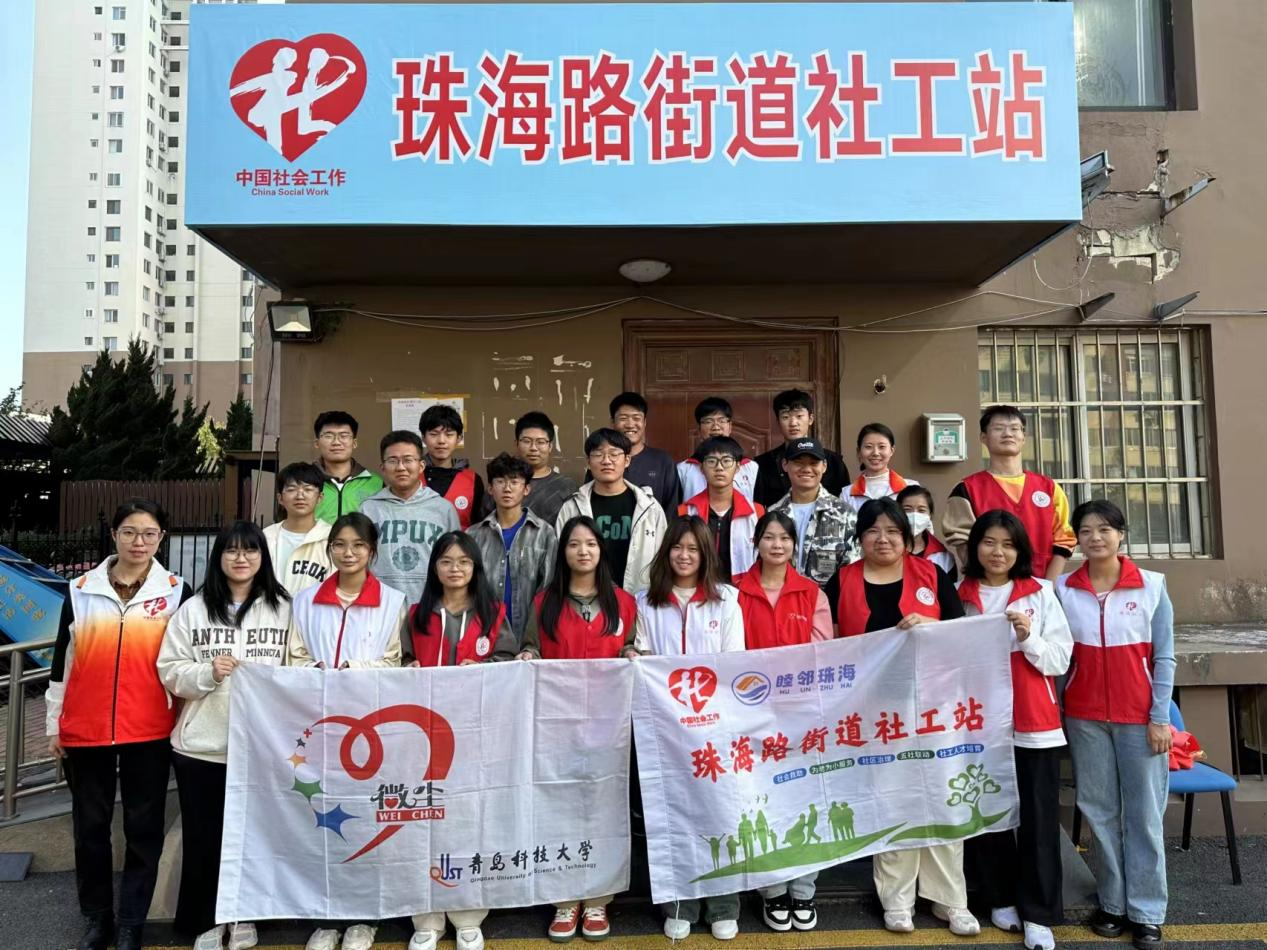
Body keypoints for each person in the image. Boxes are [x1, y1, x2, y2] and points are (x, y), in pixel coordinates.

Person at [46, 499, 192, 950]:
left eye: (149, 533)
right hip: (85, 728)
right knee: (90, 828)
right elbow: (62, 661)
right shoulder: (81, 590)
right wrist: (54, 724)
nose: (138, 542)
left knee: (142, 829)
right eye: (129, 532)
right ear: (114, 535)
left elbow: (185, 658)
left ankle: (131, 921)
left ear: (161, 538)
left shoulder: (177, 591)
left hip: (149, 729)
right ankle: (97, 918)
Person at [835, 499, 976, 937]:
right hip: (874, 712)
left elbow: (963, 635)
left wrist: (930, 627)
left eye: (892, 531)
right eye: (872, 531)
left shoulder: (932, 576)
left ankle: (950, 898)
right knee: (892, 799)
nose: (883, 539)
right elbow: (827, 647)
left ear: (907, 537)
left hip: (933, 706)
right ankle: (897, 899)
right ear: (860, 538)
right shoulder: (842, 580)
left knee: (942, 797)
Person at [157, 521, 291, 950]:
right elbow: (169, 669)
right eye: (231, 551)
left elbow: (299, 666)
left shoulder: (284, 608)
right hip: (203, 747)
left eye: (250, 550)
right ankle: (207, 920)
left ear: (262, 557)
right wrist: (206, 673)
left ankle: (246, 915)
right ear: (218, 558)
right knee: (204, 838)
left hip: (263, 748)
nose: (241, 558)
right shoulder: (194, 609)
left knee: (256, 837)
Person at [511, 516, 638, 942]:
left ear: (601, 551)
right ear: (562, 552)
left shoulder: (624, 603)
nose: (583, 551)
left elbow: (629, 646)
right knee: (559, 806)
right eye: (574, 544)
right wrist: (528, 656)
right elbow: (531, 645)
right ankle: (564, 897)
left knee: (604, 808)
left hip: (608, 725)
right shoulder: (545, 601)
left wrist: (633, 653)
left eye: (591, 544)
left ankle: (598, 897)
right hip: (557, 724)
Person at [1056, 500, 1174, 950]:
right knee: (1099, 812)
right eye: (1086, 531)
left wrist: (1159, 717)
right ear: (1077, 539)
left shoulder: (1151, 585)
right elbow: (1061, 659)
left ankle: (1147, 911)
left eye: (1104, 529)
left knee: (1143, 817)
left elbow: (1164, 657)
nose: (1095, 538)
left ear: (1121, 534)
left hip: (1140, 720)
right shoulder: (1064, 589)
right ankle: (1112, 904)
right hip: (1084, 718)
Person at [287, 513, 407, 950]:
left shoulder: (393, 601)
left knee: (366, 819)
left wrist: (351, 669)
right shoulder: (305, 601)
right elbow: (294, 655)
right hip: (318, 727)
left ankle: (364, 916)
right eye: (340, 544)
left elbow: (395, 661)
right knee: (320, 818)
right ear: (330, 549)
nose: (348, 553)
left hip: (371, 727)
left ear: (372, 551)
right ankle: (327, 914)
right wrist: (317, 669)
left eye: (358, 545)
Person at [957, 511, 1072, 950]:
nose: (997, 552)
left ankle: (1039, 913)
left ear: (1020, 550)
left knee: (1038, 818)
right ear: (975, 546)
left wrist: (1028, 639)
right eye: (989, 542)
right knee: (988, 812)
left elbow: (1059, 658)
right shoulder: (961, 594)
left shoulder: (1040, 592)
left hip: (1034, 723)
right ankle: (999, 897)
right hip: (979, 724)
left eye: (1008, 544)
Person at [631, 516, 743, 942]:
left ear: (705, 555)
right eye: (677, 547)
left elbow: (734, 663)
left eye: (693, 549)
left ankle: (723, 904)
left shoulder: (726, 600)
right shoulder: (646, 602)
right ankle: (680, 903)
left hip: (714, 729)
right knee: (672, 816)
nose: (684, 556)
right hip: (664, 731)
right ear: (666, 552)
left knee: (720, 813)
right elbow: (641, 656)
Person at [733, 510, 832, 932]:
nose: (777, 545)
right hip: (750, 717)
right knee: (761, 802)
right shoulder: (734, 591)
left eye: (784, 538)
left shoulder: (811, 593)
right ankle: (772, 890)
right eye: (769, 537)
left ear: (795, 545)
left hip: (801, 718)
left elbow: (822, 653)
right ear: (756, 542)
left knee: (805, 801)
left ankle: (804, 889)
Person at [403, 532, 503, 950]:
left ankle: (467, 916)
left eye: (464, 561)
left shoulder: (493, 613)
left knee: (468, 824)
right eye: (446, 561)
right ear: (434, 568)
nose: (455, 569)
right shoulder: (417, 614)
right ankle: (426, 918)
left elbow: (507, 664)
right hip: (422, 741)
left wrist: (482, 667)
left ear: (476, 568)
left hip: (474, 737)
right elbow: (402, 661)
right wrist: (409, 668)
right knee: (421, 825)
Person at [943, 406, 1075, 581]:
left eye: (1014, 428)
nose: (1008, 434)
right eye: (998, 428)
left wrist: (1048, 587)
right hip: (988, 587)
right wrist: (991, 585)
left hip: (1041, 586)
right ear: (983, 437)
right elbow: (962, 541)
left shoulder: (1049, 488)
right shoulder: (966, 489)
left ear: (1023, 437)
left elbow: (1063, 540)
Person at [555, 428, 668, 594]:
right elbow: (560, 558)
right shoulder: (572, 507)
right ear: (588, 462)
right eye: (598, 454)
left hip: (637, 599)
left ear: (627, 460)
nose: (606, 461)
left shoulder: (649, 507)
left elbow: (662, 559)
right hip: (586, 600)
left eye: (614, 454)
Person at [359, 430, 460, 607]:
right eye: (393, 461)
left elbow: (455, 560)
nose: (400, 467)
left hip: (431, 606)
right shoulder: (368, 509)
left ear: (421, 466)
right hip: (379, 606)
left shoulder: (443, 510)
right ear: (382, 468)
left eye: (408, 460)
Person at [466, 453, 557, 650]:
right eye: (500, 481)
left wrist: (535, 640)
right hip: (484, 637)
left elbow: (548, 591)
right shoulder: (474, 535)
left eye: (514, 482)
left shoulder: (544, 533)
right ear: (490, 488)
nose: (507, 488)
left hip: (530, 639)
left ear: (526, 489)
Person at [768, 438, 858, 613]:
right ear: (785, 465)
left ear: (824, 466)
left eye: (813, 463)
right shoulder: (773, 513)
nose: (806, 469)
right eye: (798, 462)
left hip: (827, 611)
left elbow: (851, 572)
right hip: (781, 609)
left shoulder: (845, 514)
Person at [677, 436, 765, 577]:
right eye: (712, 461)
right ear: (702, 468)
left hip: (742, 587)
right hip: (698, 586)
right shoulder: (685, 511)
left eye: (726, 461)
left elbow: (763, 559)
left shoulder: (756, 513)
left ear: (738, 467)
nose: (719, 467)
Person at [753, 389, 847, 507]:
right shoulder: (763, 464)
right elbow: (758, 508)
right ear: (778, 422)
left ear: (810, 419)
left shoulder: (833, 461)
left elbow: (844, 502)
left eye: (799, 416)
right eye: (786, 417)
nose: (793, 423)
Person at [606, 391, 682, 513]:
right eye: (623, 418)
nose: (630, 424)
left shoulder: (663, 461)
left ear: (645, 422)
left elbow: (672, 509)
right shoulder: (603, 461)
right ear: (612, 423)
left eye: (636, 418)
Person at [265, 461, 334, 594]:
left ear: (320, 497)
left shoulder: (332, 538)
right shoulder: (267, 537)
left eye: (308, 489)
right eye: (291, 489)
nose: (300, 496)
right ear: (280, 498)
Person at [676, 397, 760, 501]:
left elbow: (758, 506)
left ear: (730, 426)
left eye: (721, 420)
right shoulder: (683, 469)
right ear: (699, 429)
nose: (716, 427)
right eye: (708, 421)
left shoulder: (750, 467)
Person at [420, 404, 488, 529]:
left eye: (449, 434)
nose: (441, 441)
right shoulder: (412, 476)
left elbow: (479, 527)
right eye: (434, 434)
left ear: (459, 438)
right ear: (423, 438)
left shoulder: (473, 480)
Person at [312, 410, 384, 523]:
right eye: (328, 436)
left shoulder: (375, 483)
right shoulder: (304, 481)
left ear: (354, 443)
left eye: (344, 436)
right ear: (317, 443)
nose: (336, 442)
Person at [515, 411, 579, 526]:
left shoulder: (566, 485)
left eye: (540, 442)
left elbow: (573, 528)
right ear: (516, 444)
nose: (533, 448)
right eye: (527, 441)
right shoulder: (503, 484)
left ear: (550, 446)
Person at [844, 423, 918, 513]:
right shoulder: (847, 494)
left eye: (882, 447)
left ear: (892, 451)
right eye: (868, 447)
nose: (875, 453)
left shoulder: (910, 488)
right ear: (859, 451)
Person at [897, 485, 957, 582]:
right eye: (907, 510)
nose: (915, 515)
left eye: (921, 510)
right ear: (897, 513)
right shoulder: (886, 549)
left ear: (930, 515)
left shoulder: (943, 557)